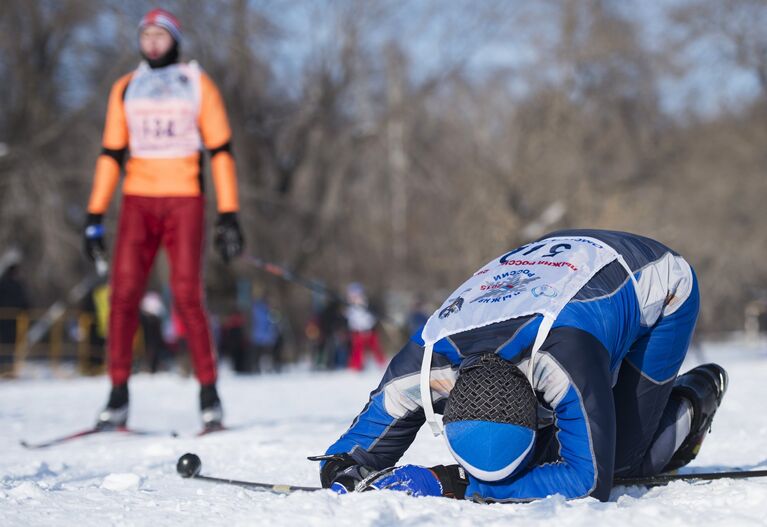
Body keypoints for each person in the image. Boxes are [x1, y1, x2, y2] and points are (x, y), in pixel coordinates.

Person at [314, 229, 728, 502]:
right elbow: (344, 457)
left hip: (659, 279)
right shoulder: (424, 362)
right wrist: (344, 475)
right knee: (572, 440)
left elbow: (589, 482)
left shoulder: (563, 359)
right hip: (553, 267)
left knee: (620, 460)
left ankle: (695, 397)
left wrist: (454, 483)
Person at [83, 9, 244, 431]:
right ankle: (117, 394)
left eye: (161, 35)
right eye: (146, 35)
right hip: (138, 199)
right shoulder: (126, 87)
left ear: (174, 39)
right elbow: (111, 154)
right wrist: (94, 213)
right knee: (122, 295)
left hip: (185, 199)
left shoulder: (196, 83)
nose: (153, 42)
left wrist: (229, 213)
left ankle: (209, 393)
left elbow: (221, 150)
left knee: (187, 294)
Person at [345, 283, 386, 371]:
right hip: (357, 331)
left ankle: (382, 365)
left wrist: (368, 328)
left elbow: (371, 317)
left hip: (369, 330)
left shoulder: (366, 303)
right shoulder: (349, 306)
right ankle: (356, 367)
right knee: (357, 350)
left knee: (376, 348)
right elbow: (350, 319)